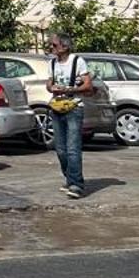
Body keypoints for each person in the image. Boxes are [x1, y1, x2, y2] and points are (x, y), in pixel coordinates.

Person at [44, 35, 95, 199]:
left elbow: (88, 85)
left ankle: (76, 184)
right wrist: (52, 88)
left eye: (54, 45)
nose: (51, 48)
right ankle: (69, 178)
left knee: (73, 148)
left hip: (74, 107)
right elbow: (49, 83)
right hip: (57, 107)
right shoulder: (52, 63)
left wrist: (68, 90)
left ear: (64, 47)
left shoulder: (77, 61)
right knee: (60, 149)